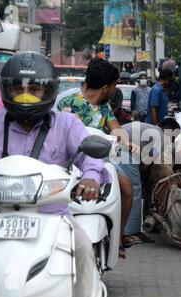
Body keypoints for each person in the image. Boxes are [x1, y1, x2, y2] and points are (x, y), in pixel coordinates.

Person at [0, 52, 109, 297]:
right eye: (18, 89)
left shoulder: (67, 124)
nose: (26, 95)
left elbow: (90, 155)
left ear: (49, 90)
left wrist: (91, 177)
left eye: (35, 89)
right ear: (6, 91)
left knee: (83, 250)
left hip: (54, 217)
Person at [57, 58, 139, 258]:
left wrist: (127, 142)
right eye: (113, 86)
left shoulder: (104, 107)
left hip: (103, 160)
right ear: (105, 88)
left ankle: (118, 237)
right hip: (71, 162)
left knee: (126, 187)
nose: (114, 90)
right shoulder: (67, 103)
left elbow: (115, 129)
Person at [119, 117, 181, 247]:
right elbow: (146, 164)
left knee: (120, 190)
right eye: (175, 136)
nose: (174, 140)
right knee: (134, 188)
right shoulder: (162, 137)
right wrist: (144, 177)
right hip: (123, 151)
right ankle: (131, 232)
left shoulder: (151, 130)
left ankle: (120, 228)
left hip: (113, 146)